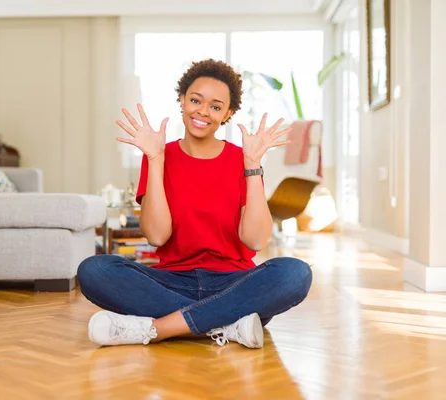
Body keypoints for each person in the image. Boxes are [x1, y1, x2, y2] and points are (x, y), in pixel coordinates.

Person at [78, 59, 312, 349]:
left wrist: (253, 165)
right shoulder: (159, 156)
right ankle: (228, 324)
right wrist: (155, 160)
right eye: (195, 100)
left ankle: (159, 327)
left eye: (215, 106)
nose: (203, 111)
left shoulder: (242, 159)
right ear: (182, 100)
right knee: (94, 270)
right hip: (171, 280)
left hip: (233, 282)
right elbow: (157, 236)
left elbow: (254, 240)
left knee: (296, 273)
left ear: (228, 113)